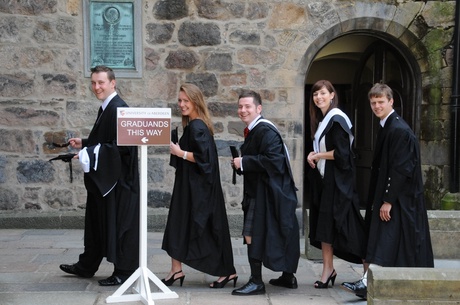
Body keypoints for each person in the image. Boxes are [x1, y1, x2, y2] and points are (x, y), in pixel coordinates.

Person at [341, 83, 434, 299]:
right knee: (386, 242)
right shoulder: (388, 125)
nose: (376, 106)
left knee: (386, 241)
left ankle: (368, 284)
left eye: (381, 102)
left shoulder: (399, 130)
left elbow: (401, 169)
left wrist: (388, 200)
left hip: (401, 200)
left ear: (391, 101)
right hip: (394, 199)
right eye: (373, 102)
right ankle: (369, 283)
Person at [59, 65, 140, 286]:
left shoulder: (119, 108)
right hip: (106, 179)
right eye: (94, 83)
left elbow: (122, 147)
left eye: (101, 82)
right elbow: (107, 139)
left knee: (120, 224)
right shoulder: (107, 107)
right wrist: (85, 143)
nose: (96, 87)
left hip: (118, 182)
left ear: (113, 83)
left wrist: (88, 153)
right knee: (96, 222)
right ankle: (87, 265)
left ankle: (124, 271)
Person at [162, 83, 237, 289]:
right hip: (190, 186)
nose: (182, 104)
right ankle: (176, 269)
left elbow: (204, 159)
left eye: (186, 101)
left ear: (196, 101)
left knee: (204, 228)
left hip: (197, 190)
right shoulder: (195, 124)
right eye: (180, 100)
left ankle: (227, 271)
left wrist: (180, 153)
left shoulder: (197, 126)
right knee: (178, 226)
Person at [231, 89, 300, 296]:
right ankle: (288, 276)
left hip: (267, 194)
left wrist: (243, 161)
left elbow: (274, 161)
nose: (243, 110)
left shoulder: (264, 130)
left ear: (258, 108)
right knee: (282, 230)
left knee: (252, 234)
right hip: (266, 191)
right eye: (240, 107)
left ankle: (256, 281)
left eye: (247, 106)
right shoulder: (256, 130)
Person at [306, 80, 366, 289]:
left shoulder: (337, 119)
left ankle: (368, 273)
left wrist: (318, 155)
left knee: (350, 227)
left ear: (332, 95)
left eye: (322, 93)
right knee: (324, 228)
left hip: (340, 184)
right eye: (315, 94)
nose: (318, 97)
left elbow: (342, 154)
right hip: (326, 182)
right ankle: (327, 270)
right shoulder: (323, 121)